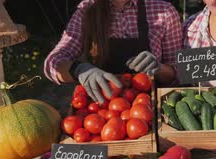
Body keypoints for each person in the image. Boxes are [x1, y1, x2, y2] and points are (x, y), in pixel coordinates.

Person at [45, 0, 182, 103]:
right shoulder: (86, 10)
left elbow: (178, 71)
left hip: (150, 107)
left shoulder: (164, 11)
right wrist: (78, 69)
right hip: (103, 108)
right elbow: (53, 62)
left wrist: (159, 68)